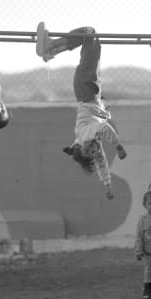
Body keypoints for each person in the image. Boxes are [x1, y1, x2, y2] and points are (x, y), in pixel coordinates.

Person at [36, 22, 127, 200]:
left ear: (80, 146)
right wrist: (107, 185)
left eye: (88, 151)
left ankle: (51, 47)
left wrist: (118, 146)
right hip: (88, 91)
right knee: (93, 44)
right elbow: (102, 165)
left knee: (89, 34)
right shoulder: (88, 142)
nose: (93, 150)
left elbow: (105, 128)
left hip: (87, 92)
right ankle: (51, 51)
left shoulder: (86, 135)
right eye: (93, 153)